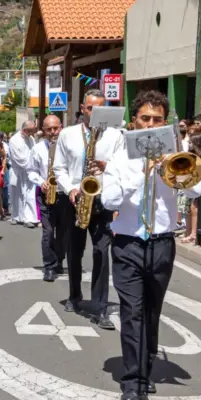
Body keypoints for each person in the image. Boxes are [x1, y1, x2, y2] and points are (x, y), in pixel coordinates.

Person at [101, 90, 201, 400]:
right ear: (134, 121)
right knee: (132, 312)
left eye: (157, 119)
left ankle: (145, 368)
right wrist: (139, 176)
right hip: (127, 243)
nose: (150, 124)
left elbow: (198, 188)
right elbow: (109, 201)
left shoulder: (176, 155)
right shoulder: (120, 158)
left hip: (161, 243)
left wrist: (169, 170)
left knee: (151, 311)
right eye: (145, 118)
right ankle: (133, 382)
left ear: (165, 123)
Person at [53, 90, 124, 328]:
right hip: (74, 199)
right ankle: (74, 296)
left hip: (102, 199)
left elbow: (123, 166)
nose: (95, 113)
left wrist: (107, 167)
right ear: (83, 108)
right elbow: (59, 168)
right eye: (91, 108)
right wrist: (71, 188)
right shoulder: (67, 134)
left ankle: (100, 307)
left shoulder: (115, 135)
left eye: (101, 108)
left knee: (101, 253)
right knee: (74, 251)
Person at [28, 116, 67, 281]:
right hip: (46, 195)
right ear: (43, 130)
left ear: (61, 127)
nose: (53, 132)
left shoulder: (67, 148)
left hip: (64, 194)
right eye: (49, 129)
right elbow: (31, 171)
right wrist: (41, 182)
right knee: (48, 232)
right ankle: (49, 266)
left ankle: (59, 260)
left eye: (56, 128)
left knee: (64, 233)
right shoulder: (37, 149)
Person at [8, 120, 39, 227]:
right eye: (31, 131)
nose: (32, 133)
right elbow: (20, 159)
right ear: (25, 130)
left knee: (29, 195)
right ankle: (16, 216)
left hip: (29, 171)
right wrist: (32, 165)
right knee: (18, 196)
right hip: (19, 171)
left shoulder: (30, 139)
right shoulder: (14, 140)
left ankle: (29, 218)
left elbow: (34, 152)